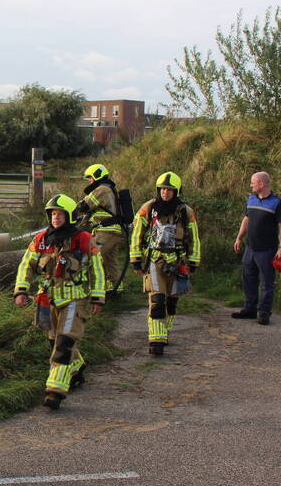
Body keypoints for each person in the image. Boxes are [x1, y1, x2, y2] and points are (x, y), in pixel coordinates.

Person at [14, 194, 105, 410]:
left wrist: (98, 297)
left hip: (75, 300)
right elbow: (26, 265)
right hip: (48, 301)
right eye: (53, 214)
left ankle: (54, 391)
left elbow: (97, 270)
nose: (55, 218)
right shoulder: (41, 239)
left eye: (60, 214)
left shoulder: (83, 239)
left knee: (64, 344)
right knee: (54, 342)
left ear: (70, 216)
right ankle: (77, 366)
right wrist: (21, 290)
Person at [129, 172, 201, 356]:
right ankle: (156, 340)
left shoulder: (186, 212)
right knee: (157, 299)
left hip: (177, 262)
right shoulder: (149, 208)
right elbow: (137, 232)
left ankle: (164, 332)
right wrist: (136, 260)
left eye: (169, 190)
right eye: (162, 189)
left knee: (171, 301)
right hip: (155, 260)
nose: (165, 193)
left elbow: (194, 238)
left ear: (176, 192)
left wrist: (193, 262)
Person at [232, 171, 281, 325]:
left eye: (253, 182)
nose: (251, 185)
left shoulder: (277, 203)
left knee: (266, 283)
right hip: (250, 248)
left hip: (267, 250)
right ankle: (250, 309)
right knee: (248, 279)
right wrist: (239, 238)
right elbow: (246, 219)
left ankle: (264, 313)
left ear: (261, 184)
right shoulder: (251, 199)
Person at [75, 163, 125, 296]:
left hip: (107, 231)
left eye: (90, 178)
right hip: (112, 231)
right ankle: (116, 289)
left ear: (97, 176)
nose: (89, 181)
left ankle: (87, 290)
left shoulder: (102, 189)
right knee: (110, 261)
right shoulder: (109, 188)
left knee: (91, 256)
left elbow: (84, 206)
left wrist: (72, 211)